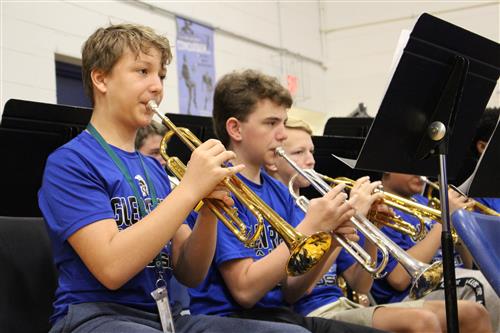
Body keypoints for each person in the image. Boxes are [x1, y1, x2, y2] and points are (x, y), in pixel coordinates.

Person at [38, 24, 315, 333]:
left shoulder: (154, 168)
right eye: (143, 71)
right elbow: (111, 269)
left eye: (162, 76)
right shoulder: (71, 162)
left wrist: (210, 207)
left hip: (170, 316)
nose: (157, 86)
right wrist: (190, 189)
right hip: (99, 316)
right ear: (101, 78)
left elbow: (190, 272)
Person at [266, 117, 493, 333]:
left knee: (473, 313)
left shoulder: (319, 206)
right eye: (299, 152)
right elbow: (297, 289)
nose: (311, 160)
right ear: (273, 160)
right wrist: (339, 227)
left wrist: (372, 229)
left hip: (341, 304)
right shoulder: (279, 209)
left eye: (312, 152)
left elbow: (360, 285)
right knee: (423, 321)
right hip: (308, 312)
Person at [373, 172, 499, 332]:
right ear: (386, 170)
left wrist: (461, 223)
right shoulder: (378, 208)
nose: (420, 175)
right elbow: (399, 279)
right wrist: (445, 219)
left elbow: (466, 265)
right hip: (411, 294)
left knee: (493, 277)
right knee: (486, 285)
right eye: (410, 168)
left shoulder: (426, 203)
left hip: (453, 278)